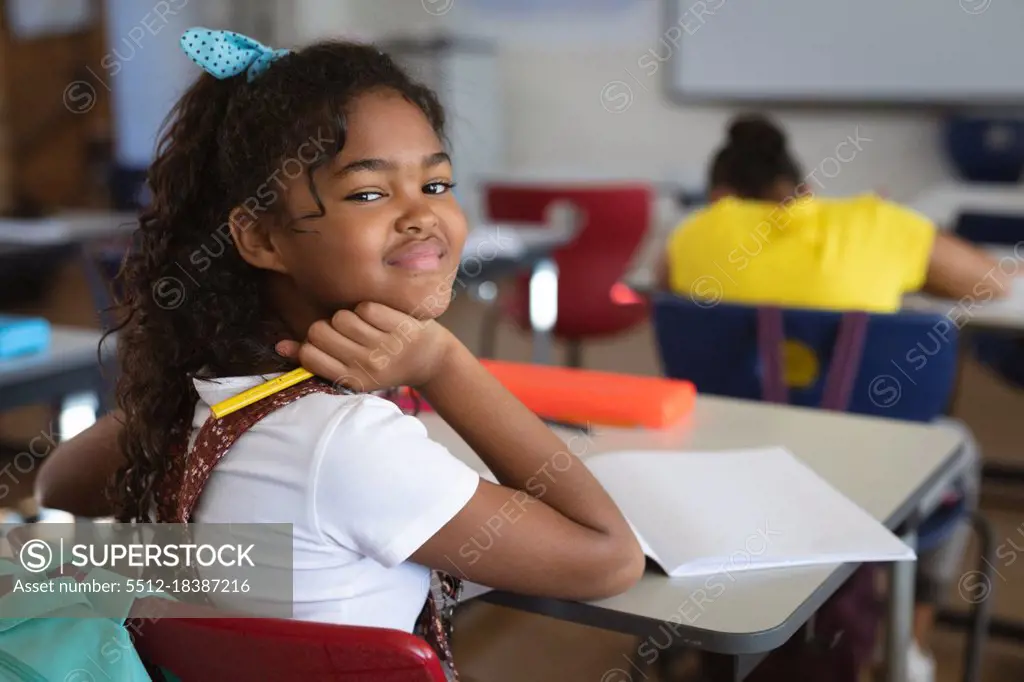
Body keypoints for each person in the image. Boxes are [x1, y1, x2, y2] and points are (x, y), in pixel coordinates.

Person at [37, 29, 644, 679]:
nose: (422, 217)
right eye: (369, 193)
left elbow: (58, 482)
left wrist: (188, 385)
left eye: (437, 185)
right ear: (262, 237)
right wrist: (444, 364)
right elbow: (609, 559)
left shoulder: (212, 401)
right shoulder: (346, 446)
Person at [658, 114, 998, 682]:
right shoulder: (877, 223)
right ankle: (910, 640)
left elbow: (663, 286)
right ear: (806, 190)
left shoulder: (694, 234)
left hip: (727, 463)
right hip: (873, 470)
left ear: (720, 195)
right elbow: (989, 282)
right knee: (958, 445)